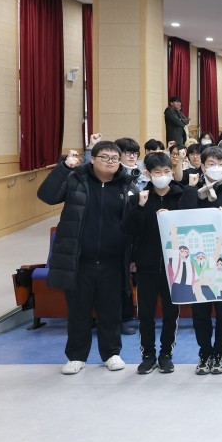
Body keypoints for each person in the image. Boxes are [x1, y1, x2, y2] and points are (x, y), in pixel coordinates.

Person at [37, 141, 134, 375]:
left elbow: (132, 223)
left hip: (113, 260)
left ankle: (111, 353)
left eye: (114, 158)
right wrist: (63, 167)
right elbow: (47, 195)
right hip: (79, 259)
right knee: (78, 311)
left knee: (111, 310)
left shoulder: (126, 185)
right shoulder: (75, 179)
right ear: (93, 158)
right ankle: (76, 356)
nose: (110, 162)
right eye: (105, 157)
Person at [178, 145, 222, 375]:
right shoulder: (192, 190)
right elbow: (182, 217)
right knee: (200, 313)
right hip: (199, 264)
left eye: (220, 163)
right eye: (210, 164)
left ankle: (220, 354)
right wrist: (191, 191)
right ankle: (205, 353)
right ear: (202, 166)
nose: (215, 167)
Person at [124, 151, 183, 374]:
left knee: (171, 313)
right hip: (147, 265)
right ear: (148, 174)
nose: (163, 176)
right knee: (145, 314)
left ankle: (166, 353)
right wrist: (140, 207)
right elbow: (130, 229)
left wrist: (172, 218)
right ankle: (147, 355)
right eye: (158, 172)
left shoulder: (182, 196)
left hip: (175, 267)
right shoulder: (139, 198)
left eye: (167, 171)